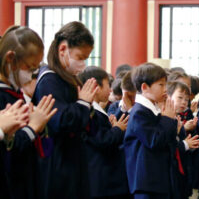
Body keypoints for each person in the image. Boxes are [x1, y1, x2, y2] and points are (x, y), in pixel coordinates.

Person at [32, 21, 97, 199]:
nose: (82, 63)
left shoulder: (67, 79)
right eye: (80, 57)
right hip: (58, 162)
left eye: (86, 58)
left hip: (73, 160)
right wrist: (83, 102)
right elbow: (60, 120)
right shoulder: (49, 80)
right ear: (63, 49)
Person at [0, 26, 57, 199]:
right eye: (29, 67)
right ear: (10, 58)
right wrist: (32, 128)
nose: (31, 74)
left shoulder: (15, 92)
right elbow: (9, 149)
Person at [124, 63, 179, 199]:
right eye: (161, 85)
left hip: (157, 180)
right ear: (144, 87)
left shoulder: (152, 110)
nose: (165, 89)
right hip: (146, 182)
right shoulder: (139, 112)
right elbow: (154, 140)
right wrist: (167, 119)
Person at [78, 66, 131, 199]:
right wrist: (118, 129)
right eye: (108, 85)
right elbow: (102, 140)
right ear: (96, 87)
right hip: (100, 175)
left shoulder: (96, 111)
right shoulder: (90, 112)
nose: (111, 90)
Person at [166, 81, 199, 199]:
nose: (183, 102)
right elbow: (168, 146)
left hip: (182, 171)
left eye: (186, 99)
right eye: (180, 97)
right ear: (169, 96)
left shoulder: (179, 116)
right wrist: (186, 144)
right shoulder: (165, 117)